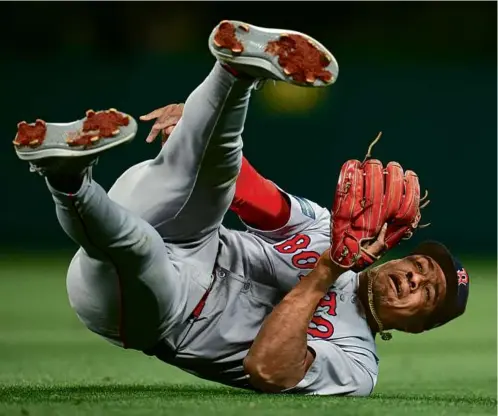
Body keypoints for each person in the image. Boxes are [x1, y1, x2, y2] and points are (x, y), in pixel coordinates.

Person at [13, 20, 469, 396]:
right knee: (202, 172)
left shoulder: (356, 365)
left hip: (157, 314)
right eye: (420, 266)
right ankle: (233, 73)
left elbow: (267, 369)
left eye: (425, 292)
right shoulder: (333, 229)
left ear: (415, 328)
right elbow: (247, 194)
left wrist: (328, 271)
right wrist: (199, 128)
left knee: (139, 248)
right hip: (190, 235)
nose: (413, 277)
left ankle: (67, 178)